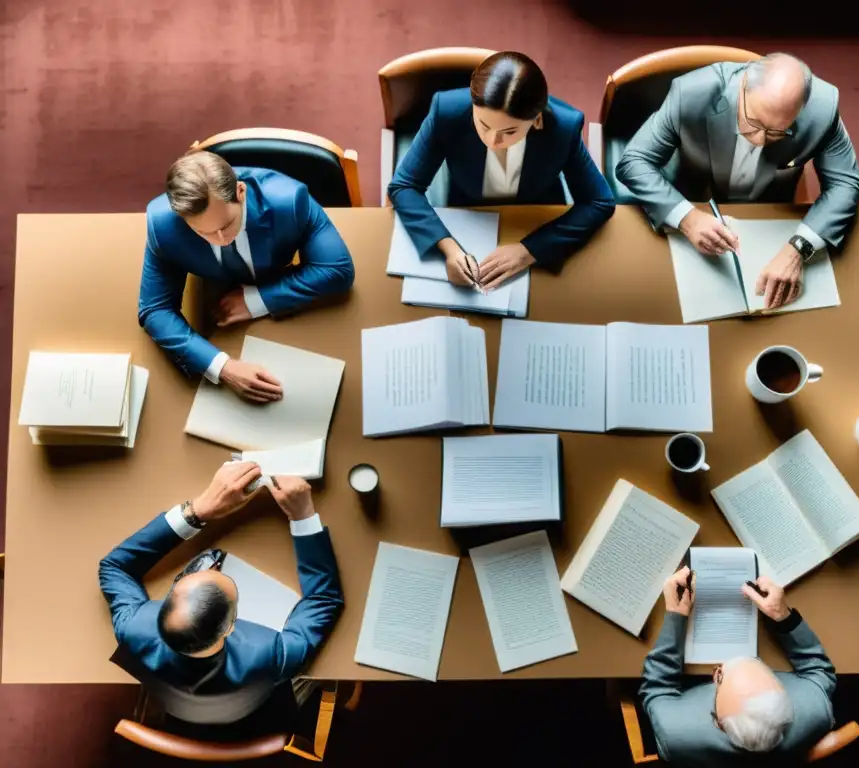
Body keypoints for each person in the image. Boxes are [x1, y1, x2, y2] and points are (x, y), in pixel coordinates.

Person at [98, 462, 343, 725]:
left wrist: (196, 511)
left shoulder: (133, 626)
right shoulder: (269, 654)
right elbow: (324, 599)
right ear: (229, 628)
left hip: (178, 705)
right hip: (255, 713)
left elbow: (114, 566)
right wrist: (304, 516)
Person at [616, 53, 859, 309]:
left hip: (770, 210)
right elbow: (634, 161)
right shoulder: (690, 93)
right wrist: (687, 218)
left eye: (777, 132)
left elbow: (846, 184)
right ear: (744, 85)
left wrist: (798, 249)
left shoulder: (823, 109)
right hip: (694, 194)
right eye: (754, 122)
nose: (759, 140)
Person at [388, 51, 614, 291]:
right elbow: (404, 186)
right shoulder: (447, 111)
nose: (493, 141)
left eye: (509, 132)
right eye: (483, 125)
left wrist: (529, 251)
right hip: (469, 212)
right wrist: (449, 248)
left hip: (536, 215)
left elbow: (599, 202)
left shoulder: (564, 127)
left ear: (536, 120)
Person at [138, 151, 355, 401]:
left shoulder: (289, 200)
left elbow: (337, 269)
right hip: (215, 317)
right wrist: (223, 367)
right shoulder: (162, 223)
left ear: (241, 192)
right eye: (203, 232)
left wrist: (256, 301)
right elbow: (154, 309)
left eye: (226, 225)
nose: (221, 240)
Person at [639, 566, 836, 766]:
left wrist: (675, 616)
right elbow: (818, 668)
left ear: (720, 723)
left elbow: (656, 688)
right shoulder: (815, 708)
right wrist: (783, 616)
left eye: (720, 675)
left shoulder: (674, 733)